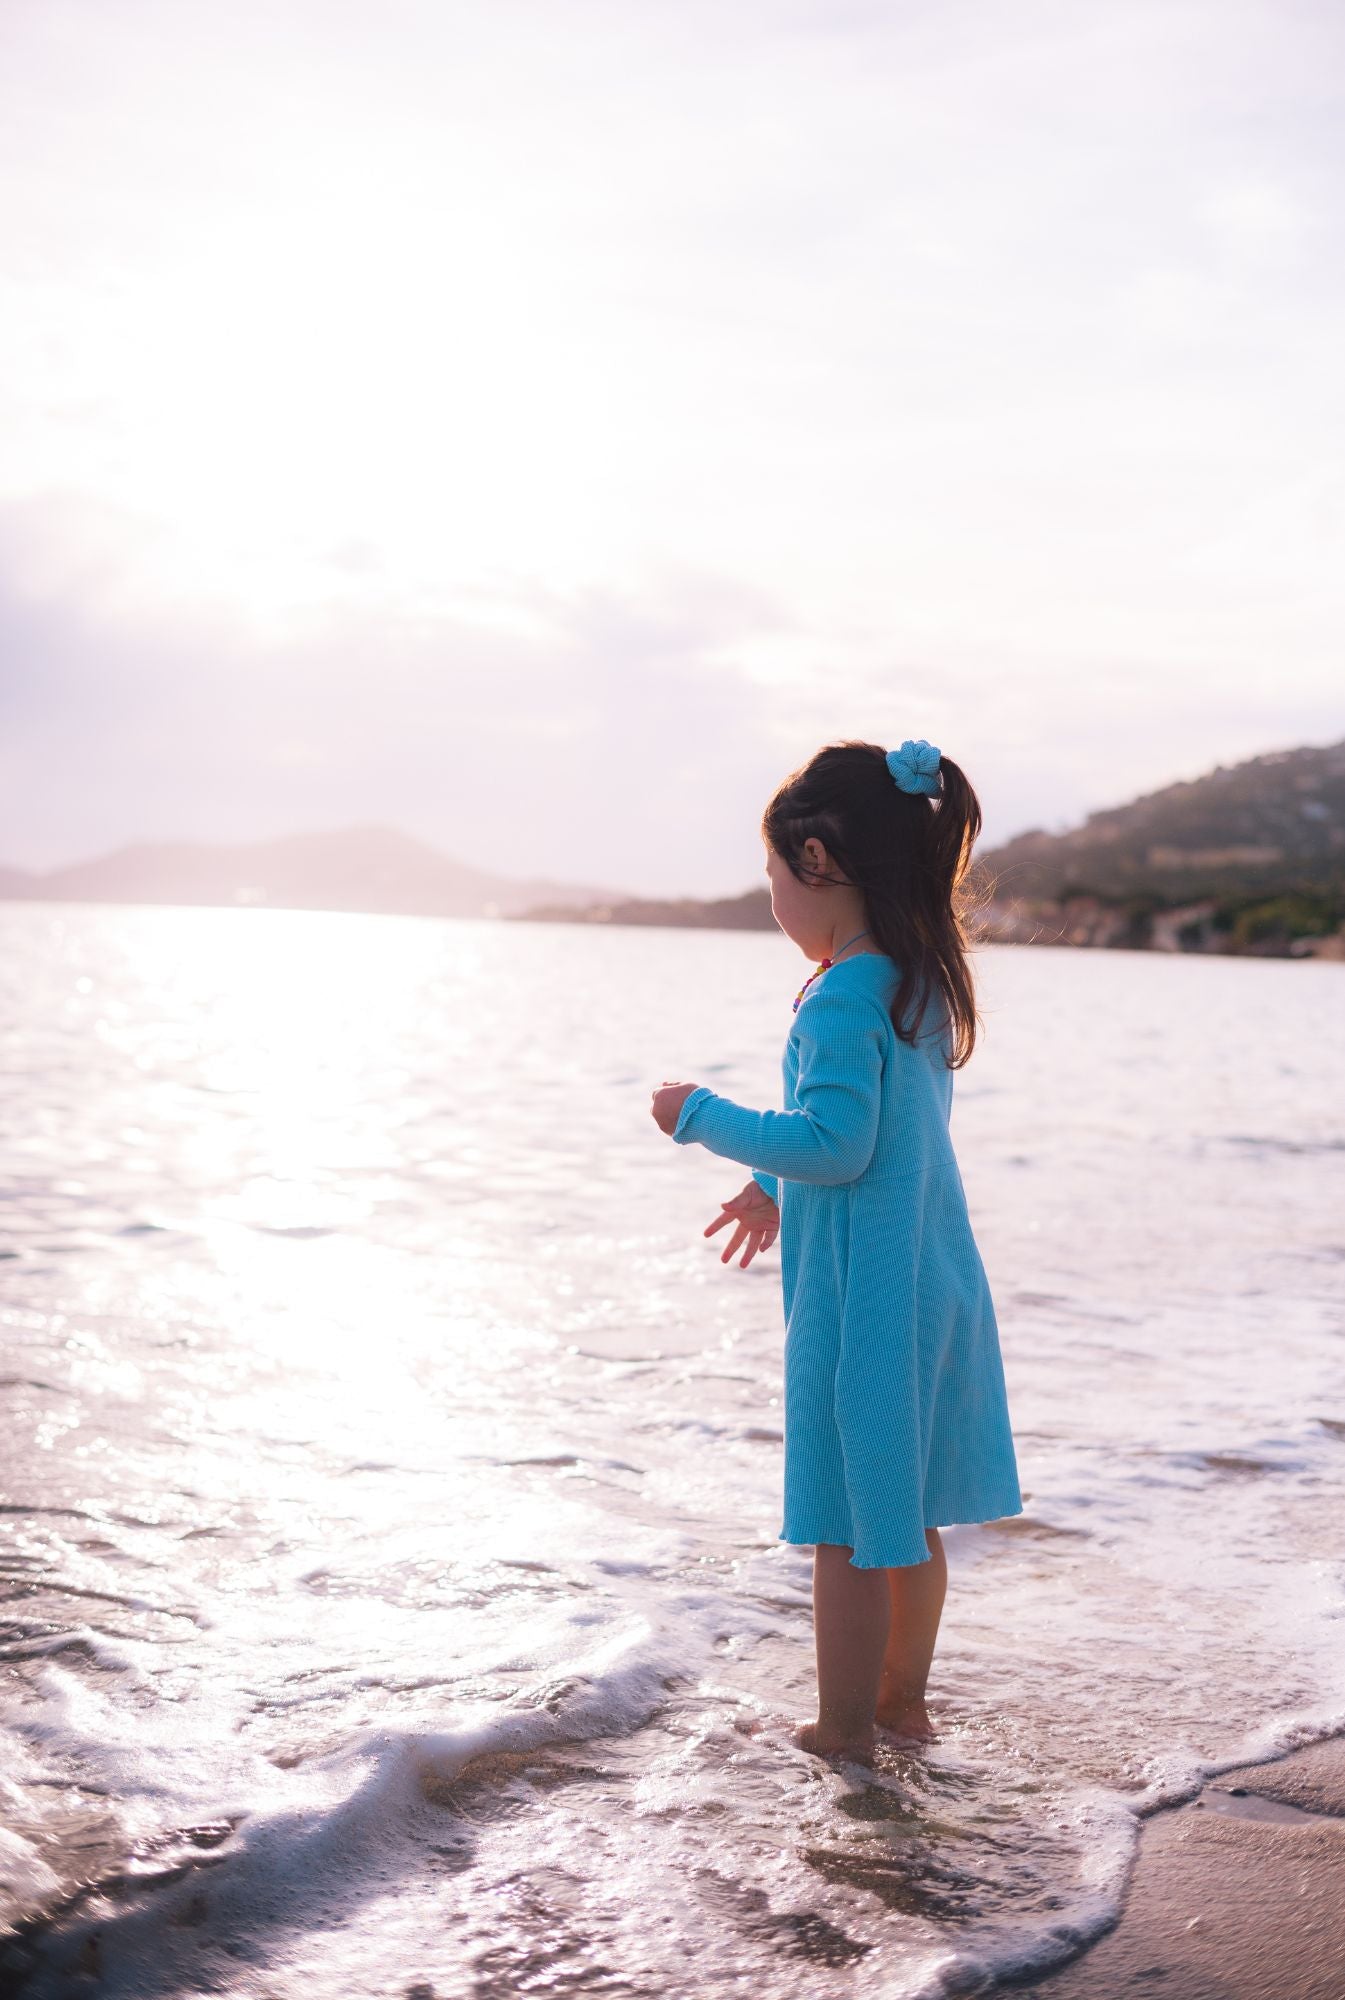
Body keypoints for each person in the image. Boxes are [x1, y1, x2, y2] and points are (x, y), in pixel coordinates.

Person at [650, 737, 1022, 1767]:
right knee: (905, 1510)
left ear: (816, 862)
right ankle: (901, 1701)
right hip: (930, 1282)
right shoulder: (913, 980)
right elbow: (883, 1130)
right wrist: (769, 1187)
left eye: (773, 877)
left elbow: (837, 1141)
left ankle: (845, 1727)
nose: (773, 900)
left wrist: (701, 1115)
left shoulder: (843, 994)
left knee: (848, 1527)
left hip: (862, 1300)